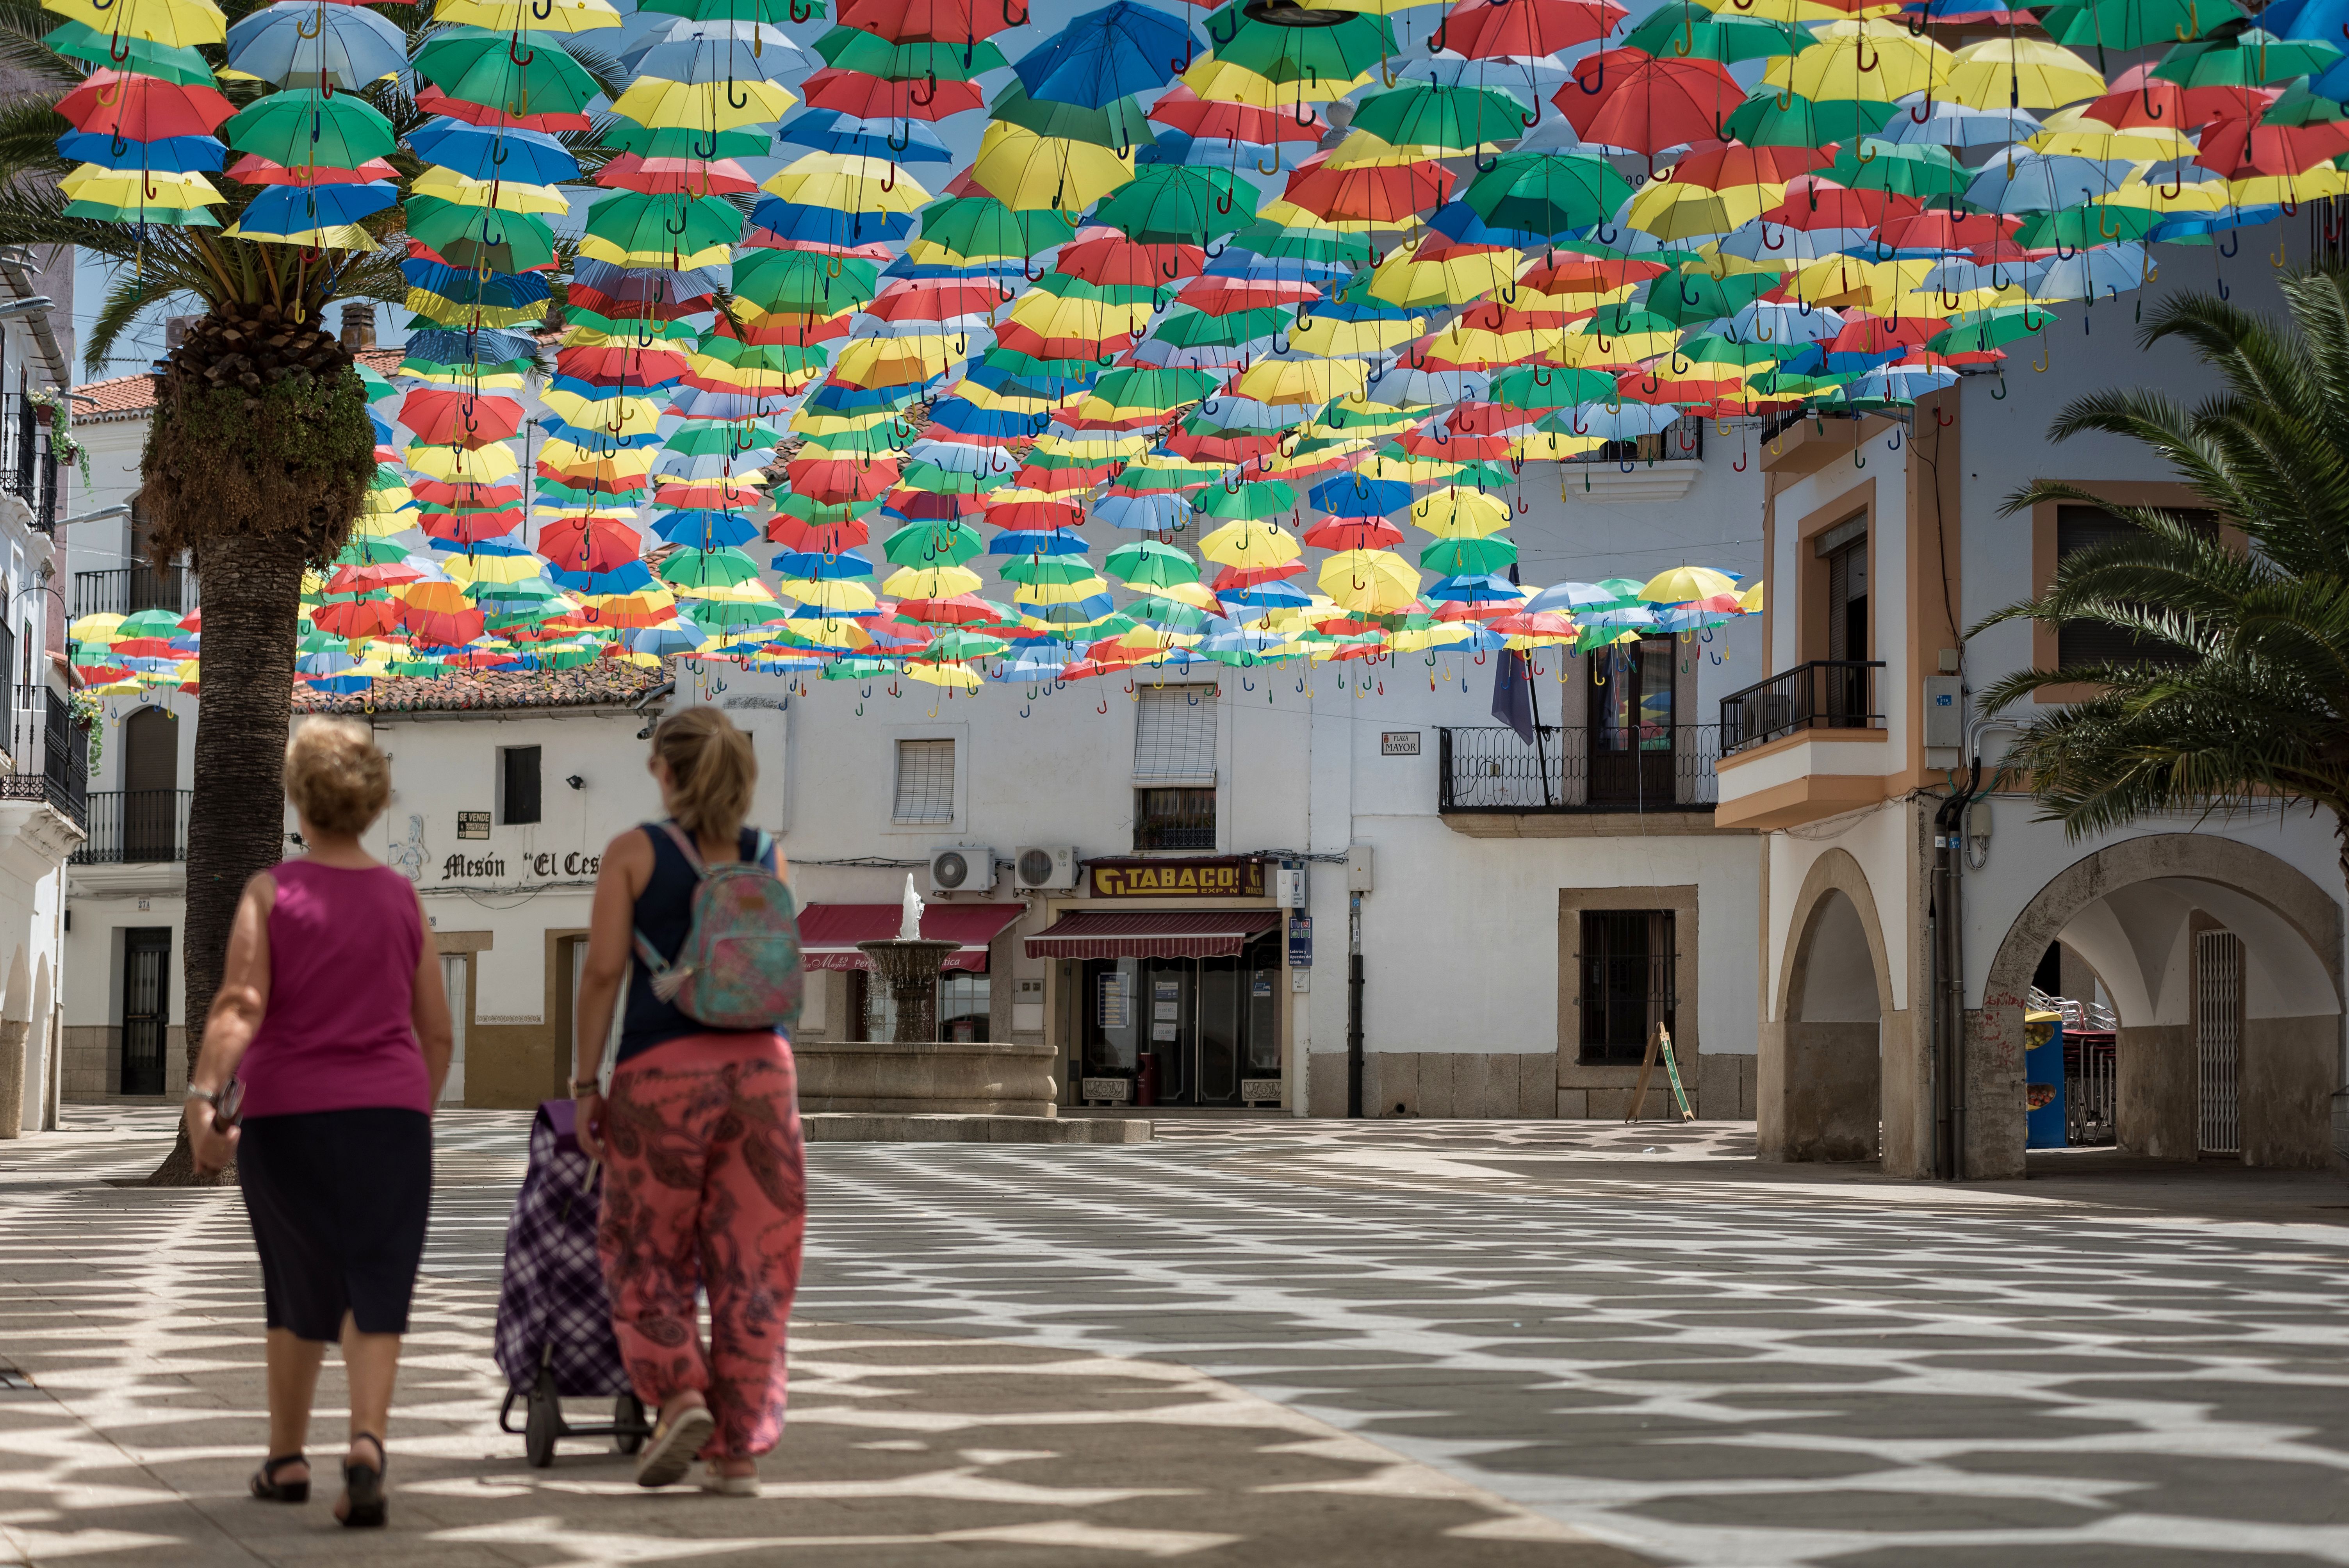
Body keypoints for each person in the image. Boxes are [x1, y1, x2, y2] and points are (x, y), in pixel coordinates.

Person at [184, 716, 454, 1529]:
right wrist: (410, 1105)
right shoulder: (404, 898)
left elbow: (240, 1004)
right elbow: (436, 1031)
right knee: (378, 1281)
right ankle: (367, 1445)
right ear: (373, 801)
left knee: (295, 1279)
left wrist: (204, 1098)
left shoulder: (273, 893)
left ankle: (287, 1457)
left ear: (299, 798)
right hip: (391, 1117)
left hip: (289, 1118)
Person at [573, 706, 806, 1497]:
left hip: (664, 1075)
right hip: (765, 1071)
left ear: (662, 771)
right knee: (754, 1259)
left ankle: (678, 1396)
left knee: (645, 1246)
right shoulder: (767, 855)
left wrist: (585, 1083)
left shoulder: (635, 853)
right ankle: (736, 1452)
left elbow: (603, 972)